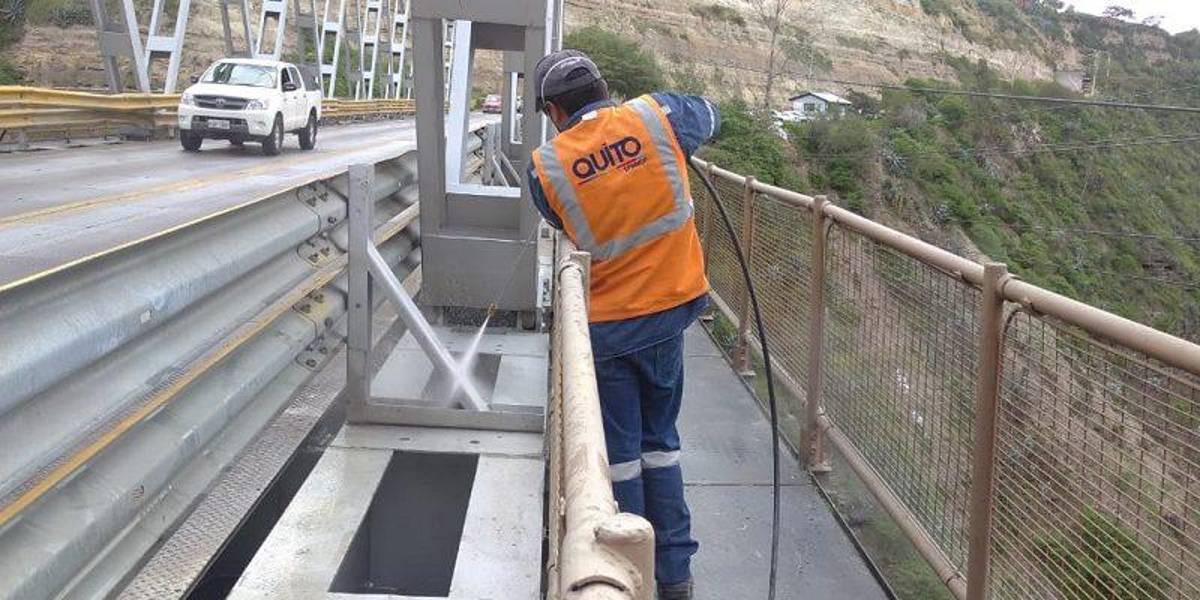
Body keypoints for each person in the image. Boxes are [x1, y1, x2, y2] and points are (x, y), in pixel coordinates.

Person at [526, 49, 720, 600]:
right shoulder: (656, 116)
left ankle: (630, 567)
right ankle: (676, 576)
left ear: (553, 111)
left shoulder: (547, 165)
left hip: (608, 327)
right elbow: (709, 115)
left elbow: (558, 218)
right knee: (663, 444)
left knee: (622, 455)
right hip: (670, 314)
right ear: (604, 87)